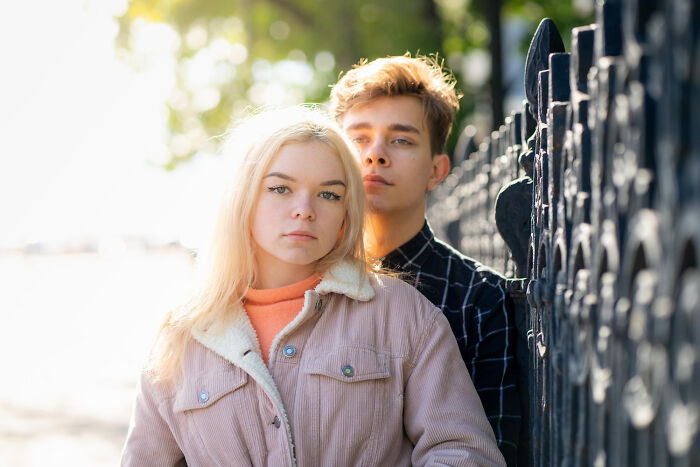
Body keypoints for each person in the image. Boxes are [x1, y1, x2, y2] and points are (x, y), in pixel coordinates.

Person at [121, 107, 505, 466]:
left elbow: (463, 451)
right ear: (242, 198)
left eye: (329, 194)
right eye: (280, 188)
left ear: (344, 213)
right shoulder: (181, 334)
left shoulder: (402, 313)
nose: (305, 209)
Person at [330, 55, 520, 465]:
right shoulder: (302, 280)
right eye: (358, 138)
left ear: (437, 170)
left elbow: (491, 450)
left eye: (401, 140)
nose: (376, 154)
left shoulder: (479, 299)